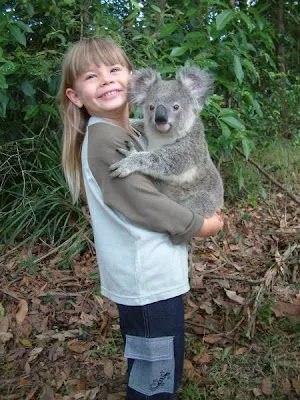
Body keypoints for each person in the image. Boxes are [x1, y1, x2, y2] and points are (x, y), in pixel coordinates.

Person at [59, 37, 223, 400]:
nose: (105, 80)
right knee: (156, 372)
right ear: (75, 96)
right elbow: (148, 204)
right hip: (145, 279)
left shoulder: (125, 129)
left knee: (156, 356)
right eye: (91, 76)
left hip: (151, 274)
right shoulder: (106, 141)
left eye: (114, 70)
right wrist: (203, 225)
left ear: (133, 80)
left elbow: (157, 133)